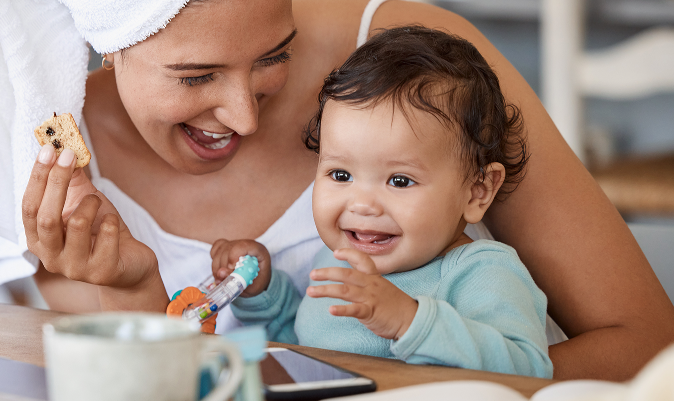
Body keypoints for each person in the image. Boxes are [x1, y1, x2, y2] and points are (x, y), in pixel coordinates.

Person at [0, 0, 674, 381]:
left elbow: (645, 344)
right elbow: (150, 400)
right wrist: (128, 291)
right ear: (103, 45)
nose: (241, 114)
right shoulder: (36, 161)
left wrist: (364, 388)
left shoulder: (418, 68)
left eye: (276, 54)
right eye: (195, 75)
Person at [210, 26, 552, 378]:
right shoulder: (338, 258)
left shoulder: (479, 272)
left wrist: (410, 322)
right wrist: (262, 293)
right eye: (341, 175)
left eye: (400, 181)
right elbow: (308, 352)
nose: (362, 205)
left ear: (477, 191)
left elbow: (529, 370)